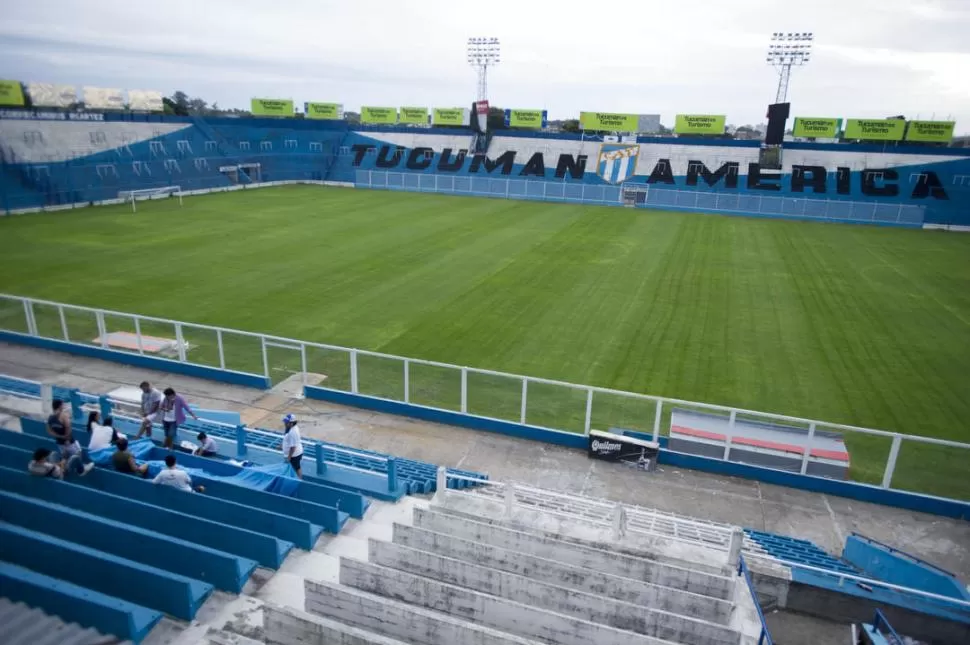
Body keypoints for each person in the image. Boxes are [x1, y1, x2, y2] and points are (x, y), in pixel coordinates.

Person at [47, 400, 93, 476]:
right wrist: (66, 439)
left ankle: (62, 469)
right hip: (69, 441)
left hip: (59, 442)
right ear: (59, 406)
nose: (64, 406)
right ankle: (81, 469)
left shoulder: (50, 417)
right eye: (63, 405)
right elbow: (69, 429)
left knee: (65, 456)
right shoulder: (63, 416)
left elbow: (49, 431)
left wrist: (59, 436)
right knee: (78, 453)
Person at [281, 413, 304, 479]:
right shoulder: (290, 428)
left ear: (291, 423)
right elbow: (287, 439)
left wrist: (289, 457)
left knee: (297, 468)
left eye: (286, 422)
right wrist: (281, 445)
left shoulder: (293, 432)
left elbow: (293, 447)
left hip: (294, 455)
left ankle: (299, 480)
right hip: (294, 454)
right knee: (294, 467)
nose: (285, 423)